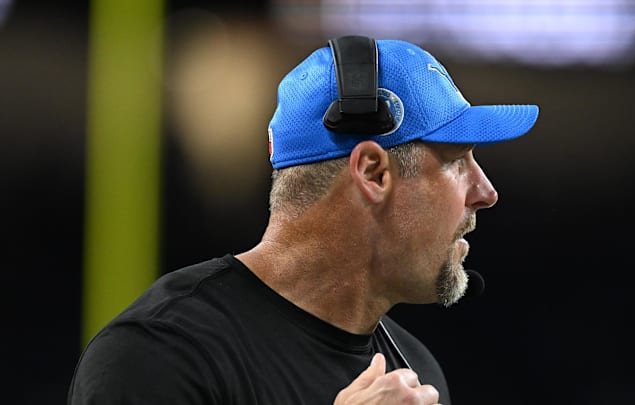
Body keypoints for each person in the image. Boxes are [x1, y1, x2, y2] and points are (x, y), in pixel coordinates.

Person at [68, 36, 539, 405]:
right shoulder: (159, 355)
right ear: (374, 172)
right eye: (458, 162)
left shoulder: (414, 372)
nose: (486, 192)